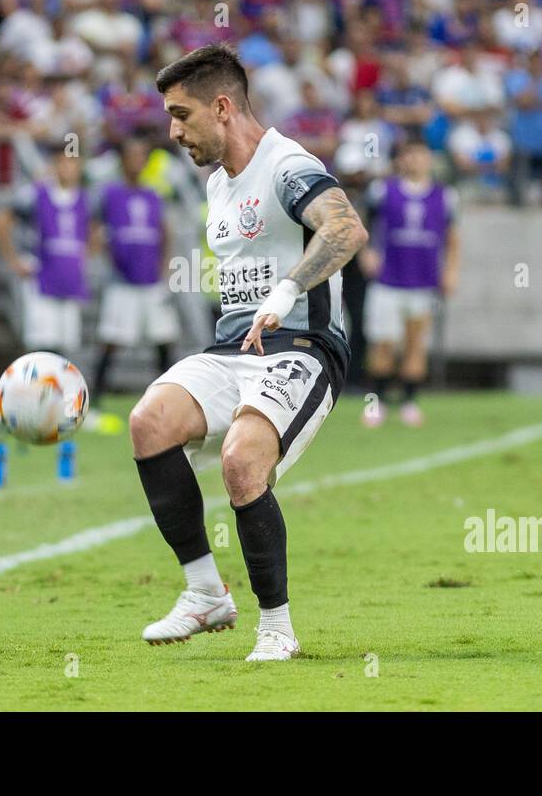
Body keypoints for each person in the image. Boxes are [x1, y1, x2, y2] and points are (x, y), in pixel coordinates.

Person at [129, 43, 369, 661]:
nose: (173, 131)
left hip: (303, 347)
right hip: (235, 347)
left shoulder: (286, 164)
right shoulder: (216, 184)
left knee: (241, 463)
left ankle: (277, 629)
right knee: (149, 421)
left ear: (223, 106)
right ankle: (206, 593)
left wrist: (287, 290)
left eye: (182, 115)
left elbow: (346, 229)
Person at [359, 135, 460, 428]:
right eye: (409, 154)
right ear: (401, 159)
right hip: (389, 278)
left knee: (416, 344)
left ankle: (409, 401)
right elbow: (361, 220)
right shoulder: (383, 191)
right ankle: (375, 401)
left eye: (420, 153)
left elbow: (454, 238)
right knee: (383, 343)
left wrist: (452, 270)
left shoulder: (445, 195)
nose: (415, 159)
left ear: (429, 158)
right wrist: (366, 252)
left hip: (424, 279)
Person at [91, 133, 179, 408]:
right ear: (122, 161)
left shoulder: (153, 194)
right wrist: (101, 252)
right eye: (133, 156)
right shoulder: (110, 194)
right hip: (122, 280)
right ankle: (95, 400)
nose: (137, 162)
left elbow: (165, 229)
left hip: (151, 279)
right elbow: (93, 225)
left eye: (142, 156)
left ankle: (166, 403)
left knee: (164, 339)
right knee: (111, 339)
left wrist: (165, 262)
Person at [0, 147, 92, 357]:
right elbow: (2, 221)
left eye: (72, 163)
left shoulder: (84, 198)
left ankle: (61, 388)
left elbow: (93, 230)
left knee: (66, 342)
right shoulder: (36, 194)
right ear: (54, 165)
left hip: (70, 278)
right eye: (62, 162)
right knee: (41, 341)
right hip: (40, 275)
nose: (67, 168)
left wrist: (86, 257)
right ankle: (34, 387)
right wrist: (13, 259)